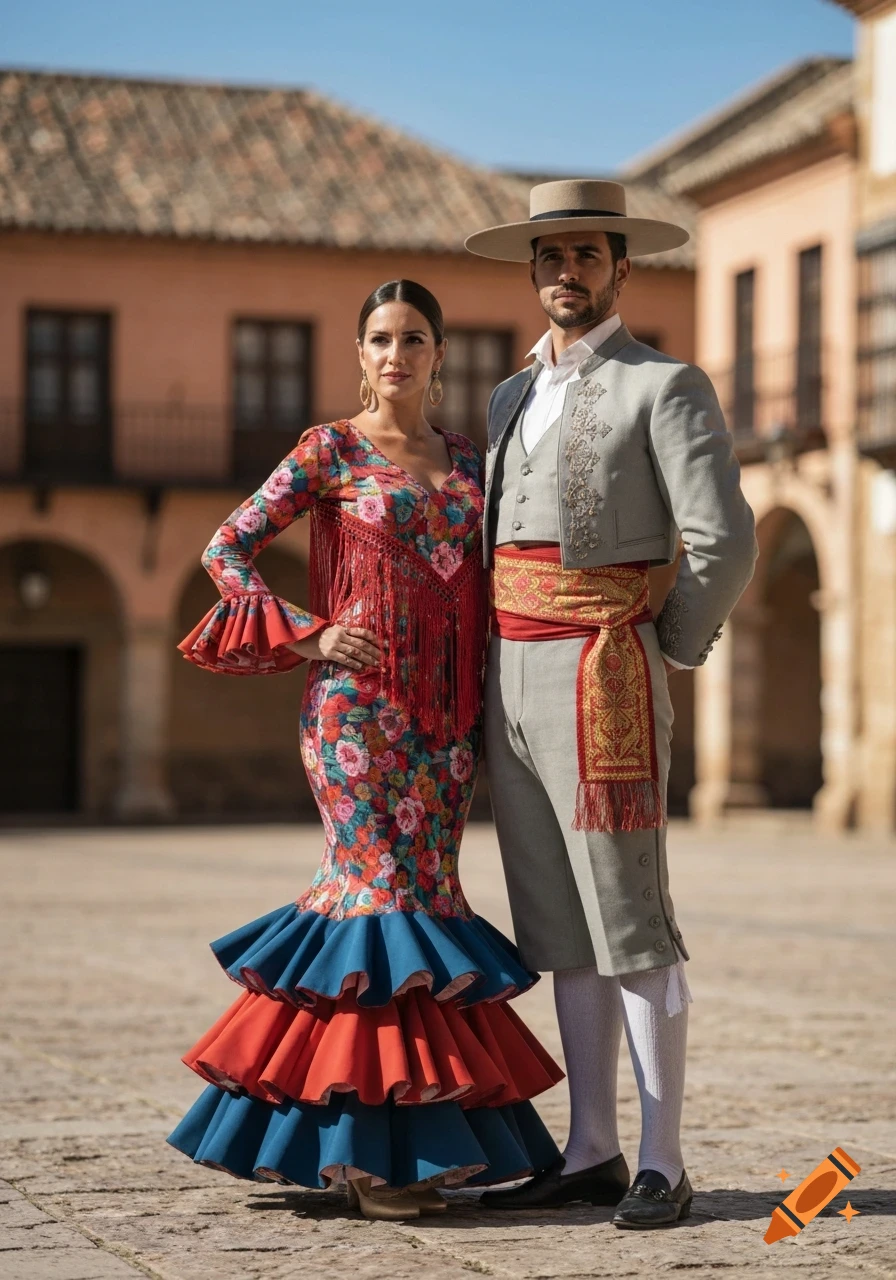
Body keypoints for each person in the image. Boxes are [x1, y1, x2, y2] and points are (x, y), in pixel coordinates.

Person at [166, 279, 564, 1221]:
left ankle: (399, 1138)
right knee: (380, 903)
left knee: (425, 912)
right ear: (359, 353)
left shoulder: (470, 457)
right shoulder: (327, 450)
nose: (397, 354)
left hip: (445, 724)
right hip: (355, 720)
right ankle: (375, 1156)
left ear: (439, 353)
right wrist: (307, 635)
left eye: (415, 338)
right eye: (381, 338)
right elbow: (226, 550)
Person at [464, 181, 758, 1228]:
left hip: (605, 672)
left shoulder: (665, 384)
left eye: (584, 255)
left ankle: (660, 1156)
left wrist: (659, 644)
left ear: (619, 268)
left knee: (629, 919)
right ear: (531, 269)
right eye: (548, 256)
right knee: (557, 924)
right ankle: (589, 1146)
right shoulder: (505, 397)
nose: (564, 273)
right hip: (511, 679)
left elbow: (724, 538)